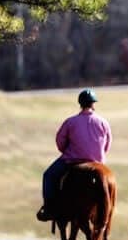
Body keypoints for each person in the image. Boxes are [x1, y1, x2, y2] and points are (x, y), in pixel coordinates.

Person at [36, 89, 112, 221]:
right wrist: (98, 155)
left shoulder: (70, 122)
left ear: (80, 104)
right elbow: (108, 144)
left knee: (48, 175)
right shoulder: (103, 122)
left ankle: (49, 208)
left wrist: (66, 151)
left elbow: (60, 141)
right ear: (93, 104)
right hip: (97, 161)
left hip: (72, 160)